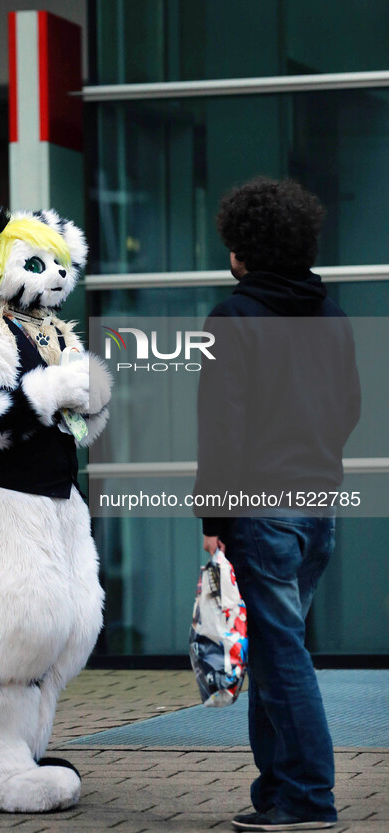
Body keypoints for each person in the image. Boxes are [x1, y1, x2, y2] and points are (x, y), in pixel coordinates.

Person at [193, 177, 361, 831]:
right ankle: (276, 790)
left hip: (261, 513)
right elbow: (348, 407)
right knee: (269, 649)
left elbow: (221, 428)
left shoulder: (231, 319)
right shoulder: (332, 313)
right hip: (316, 510)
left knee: (281, 654)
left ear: (242, 252)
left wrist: (213, 518)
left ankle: (308, 798)